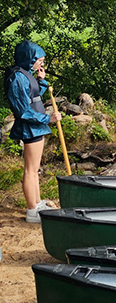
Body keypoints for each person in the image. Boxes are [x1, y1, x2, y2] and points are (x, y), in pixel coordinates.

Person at [3, 40, 62, 223]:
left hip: (37, 126)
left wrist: (41, 81)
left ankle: (37, 203)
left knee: (35, 169)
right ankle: (32, 210)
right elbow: (22, 111)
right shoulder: (17, 78)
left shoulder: (26, 74)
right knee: (30, 170)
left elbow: (34, 97)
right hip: (31, 127)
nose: (41, 64)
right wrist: (48, 119)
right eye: (39, 60)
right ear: (29, 58)